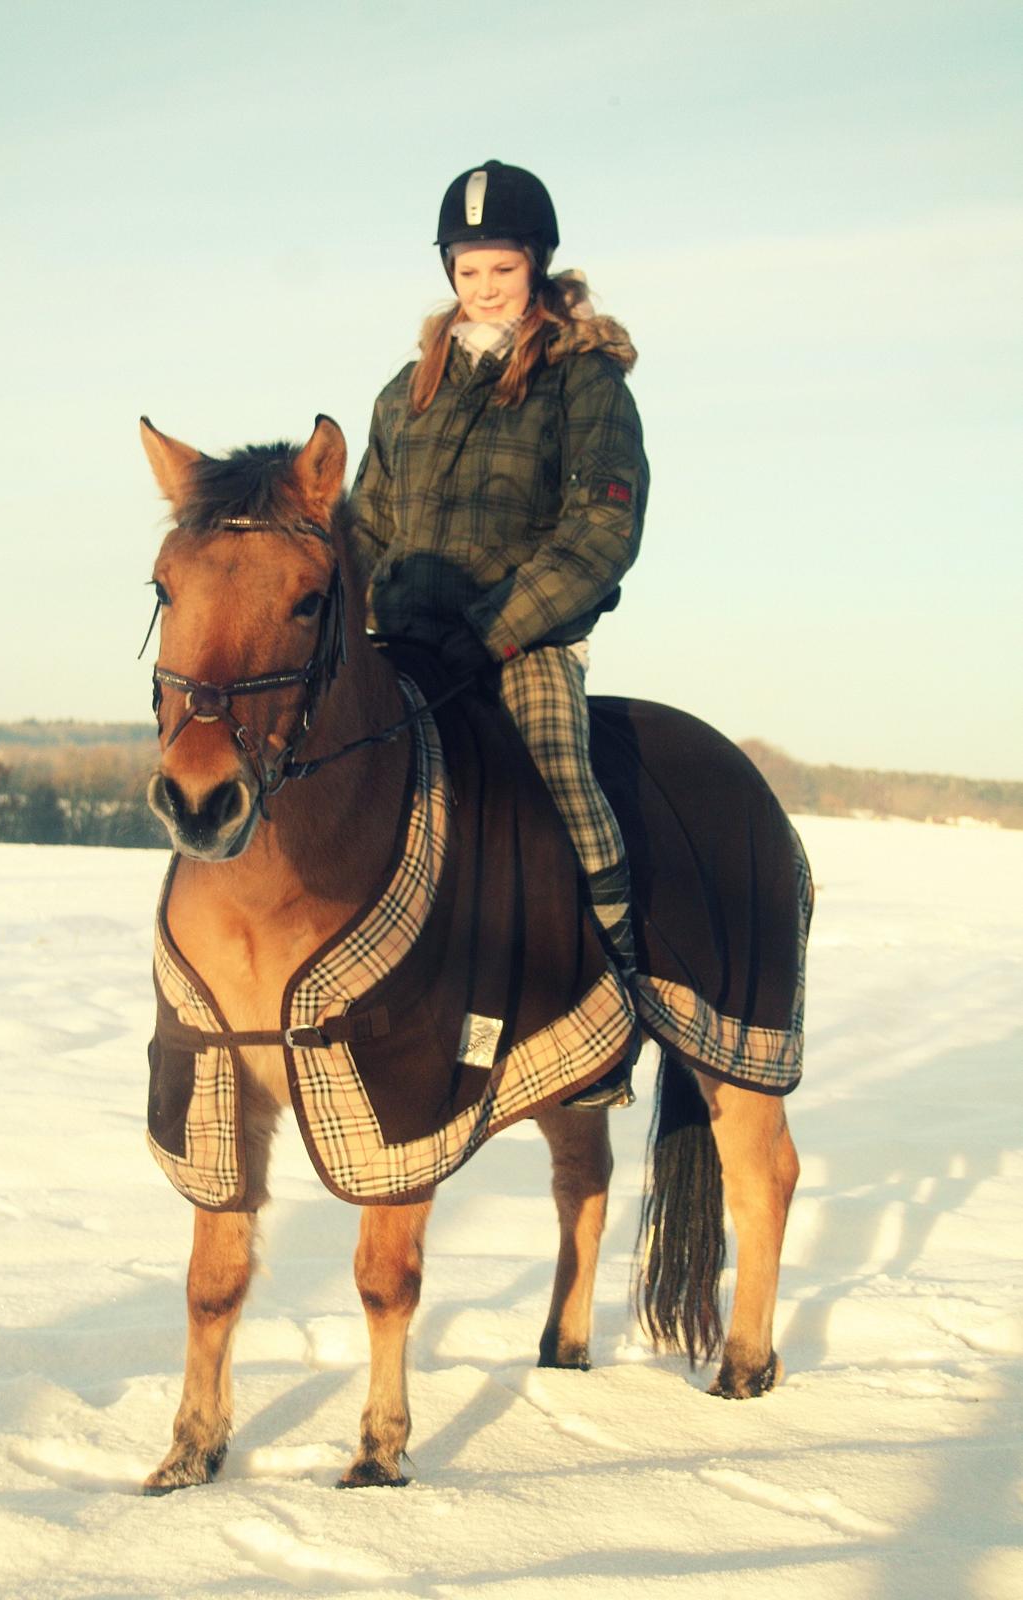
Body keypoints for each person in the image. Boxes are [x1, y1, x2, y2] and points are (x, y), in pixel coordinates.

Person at [349, 159, 649, 1107]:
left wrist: (493, 631)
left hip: (520, 639)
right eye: (467, 269)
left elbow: (601, 529)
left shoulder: (582, 380)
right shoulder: (408, 389)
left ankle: (614, 1002)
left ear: (537, 266)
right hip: (403, 633)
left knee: (560, 776)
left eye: (501, 269)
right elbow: (368, 521)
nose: (482, 287)